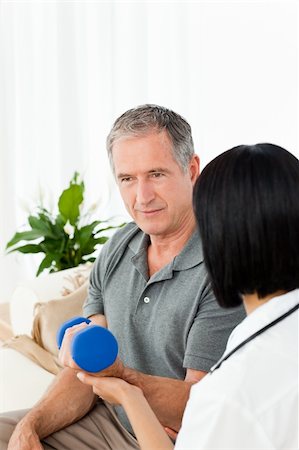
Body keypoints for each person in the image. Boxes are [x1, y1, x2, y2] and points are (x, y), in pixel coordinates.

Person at [0, 104, 245, 450]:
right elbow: (85, 373)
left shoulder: (223, 268)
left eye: (156, 174)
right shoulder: (119, 245)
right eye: (127, 179)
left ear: (192, 170)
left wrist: (119, 377)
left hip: (163, 439)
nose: (141, 197)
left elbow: (199, 406)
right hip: (104, 419)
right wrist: (30, 427)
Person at [74, 143, 299, 450]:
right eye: (127, 178)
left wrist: (128, 394)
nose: (143, 196)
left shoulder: (226, 396)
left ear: (219, 245)